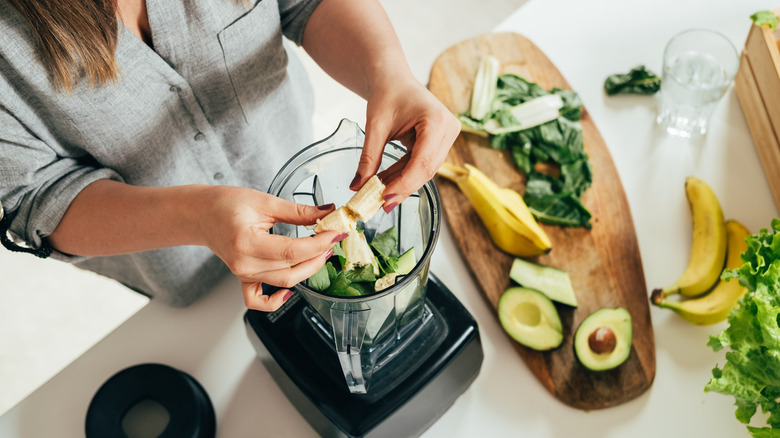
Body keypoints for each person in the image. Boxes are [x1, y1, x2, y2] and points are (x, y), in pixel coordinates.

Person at [0, 0, 460, 312]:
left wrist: (389, 73)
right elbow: (36, 198)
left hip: (285, 154)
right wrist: (198, 218)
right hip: (172, 263)